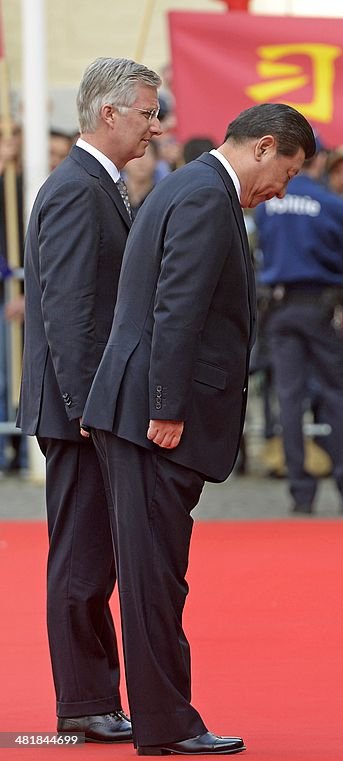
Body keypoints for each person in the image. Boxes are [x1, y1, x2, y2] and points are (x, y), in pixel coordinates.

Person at [82, 102, 314, 756]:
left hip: (139, 407)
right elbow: (176, 306)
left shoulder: (190, 185)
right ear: (264, 147)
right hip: (151, 416)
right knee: (155, 576)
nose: (282, 190)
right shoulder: (208, 197)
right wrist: (166, 404)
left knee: (154, 573)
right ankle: (169, 723)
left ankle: (165, 718)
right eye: (287, 172)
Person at [19, 57, 162, 744]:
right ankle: (82, 699)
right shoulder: (78, 189)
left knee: (92, 554)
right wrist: (87, 409)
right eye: (146, 112)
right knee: (81, 557)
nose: (154, 126)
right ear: (110, 113)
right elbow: (71, 311)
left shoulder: (92, 183)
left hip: (86, 405)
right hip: (80, 411)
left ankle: (92, 694)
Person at [253, 142, 343, 514]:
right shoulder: (332, 204)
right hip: (320, 305)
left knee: (290, 400)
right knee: (337, 396)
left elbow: (262, 246)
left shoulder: (268, 203)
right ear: (319, 160)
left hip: (280, 306)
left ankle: (300, 493)